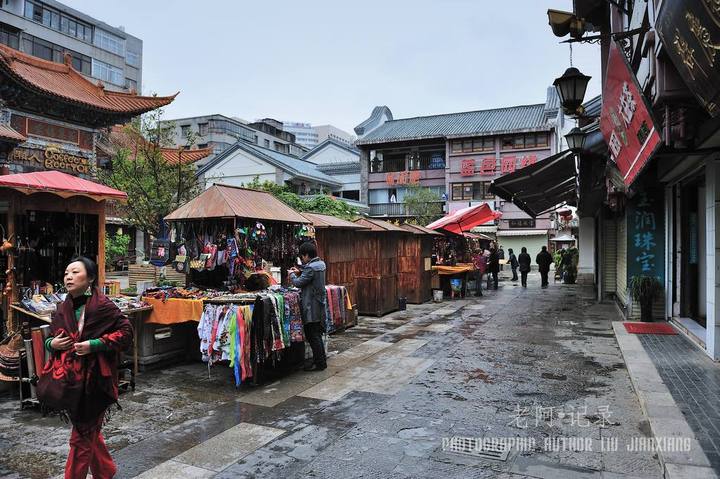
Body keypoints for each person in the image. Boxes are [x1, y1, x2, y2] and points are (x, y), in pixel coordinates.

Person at [43, 256, 133, 479]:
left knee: (81, 437)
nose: (69, 277)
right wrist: (51, 343)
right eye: (66, 273)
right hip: (70, 381)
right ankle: (105, 471)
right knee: (88, 431)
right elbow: (52, 337)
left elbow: (126, 333)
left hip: (96, 382)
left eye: (75, 272)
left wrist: (95, 344)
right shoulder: (63, 307)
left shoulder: (103, 307)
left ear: (90, 278)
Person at [289, 241, 328, 371]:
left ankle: (320, 364)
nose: (302, 259)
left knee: (313, 335)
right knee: (316, 334)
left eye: (302, 256)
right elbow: (310, 276)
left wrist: (292, 274)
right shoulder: (321, 264)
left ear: (306, 255)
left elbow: (298, 283)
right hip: (318, 304)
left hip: (311, 306)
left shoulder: (311, 268)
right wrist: (300, 271)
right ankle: (321, 361)